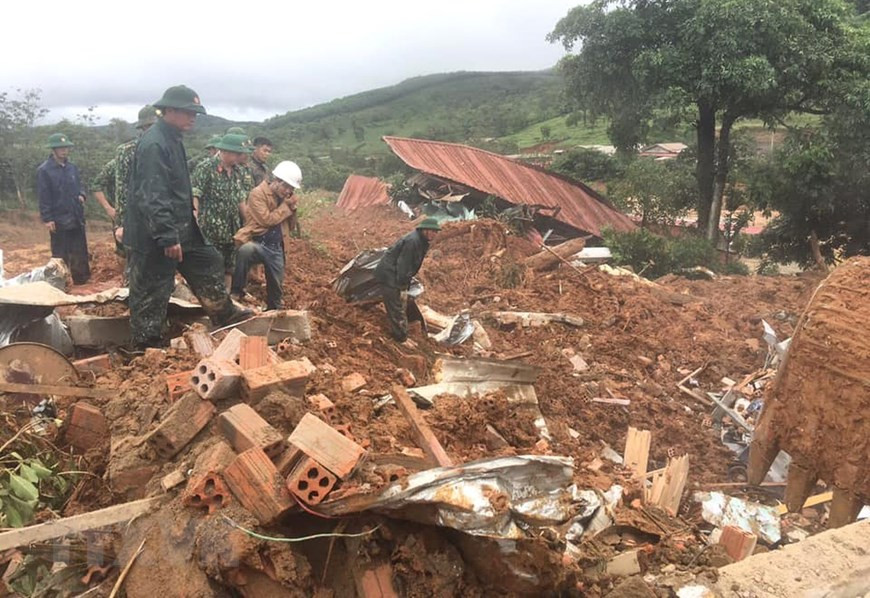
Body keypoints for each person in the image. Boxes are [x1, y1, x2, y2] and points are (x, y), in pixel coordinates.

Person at [124, 85, 250, 350]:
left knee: (209, 261)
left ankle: (223, 312)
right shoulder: (155, 143)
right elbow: (153, 194)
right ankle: (145, 345)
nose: (193, 118)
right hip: (155, 233)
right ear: (169, 110)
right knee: (153, 287)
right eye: (187, 112)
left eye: (195, 113)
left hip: (182, 227)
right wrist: (167, 236)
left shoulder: (172, 138)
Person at [232, 161, 302, 311]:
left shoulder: (286, 199)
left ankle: (272, 310)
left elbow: (291, 226)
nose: (288, 191)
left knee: (276, 289)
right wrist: (286, 207)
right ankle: (236, 292)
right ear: (276, 181)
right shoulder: (257, 193)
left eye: (291, 188)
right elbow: (267, 220)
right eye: (286, 186)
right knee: (245, 251)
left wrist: (293, 210)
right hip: (258, 242)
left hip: (276, 247)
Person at [191, 133, 254, 286]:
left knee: (229, 268)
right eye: (237, 153)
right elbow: (195, 193)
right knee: (211, 268)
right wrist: (194, 219)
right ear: (224, 151)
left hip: (232, 230)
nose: (240, 157)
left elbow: (241, 200)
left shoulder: (238, 172)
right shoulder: (206, 168)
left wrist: (248, 224)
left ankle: (226, 302)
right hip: (210, 230)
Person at [373, 218, 441, 343]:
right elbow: (403, 264)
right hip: (390, 275)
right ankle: (400, 339)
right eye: (431, 231)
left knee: (399, 306)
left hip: (395, 274)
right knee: (396, 308)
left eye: (435, 232)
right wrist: (402, 284)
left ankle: (401, 334)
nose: (434, 234)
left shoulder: (421, 241)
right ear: (424, 230)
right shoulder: (413, 241)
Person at [37, 133, 91, 284]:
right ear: (53, 150)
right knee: (60, 251)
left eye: (66, 148)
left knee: (79, 249)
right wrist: (47, 218)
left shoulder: (72, 168)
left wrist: (82, 195)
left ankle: (82, 280)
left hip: (75, 215)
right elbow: (44, 195)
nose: (64, 151)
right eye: (61, 148)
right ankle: (60, 281)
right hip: (58, 217)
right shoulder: (45, 170)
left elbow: (80, 186)